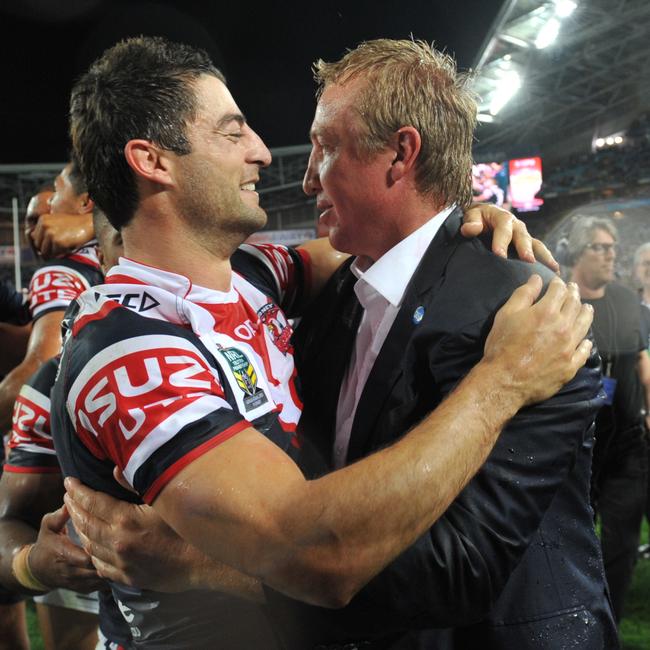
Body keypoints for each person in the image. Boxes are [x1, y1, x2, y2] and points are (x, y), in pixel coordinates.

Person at [60, 36, 592, 649]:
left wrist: (460, 221)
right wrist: (500, 383)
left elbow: (386, 249)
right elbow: (314, 553)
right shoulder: (135, 350)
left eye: (325, 147)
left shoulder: (256, 282)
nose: (264, 152)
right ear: (153, 162)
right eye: (233, 134)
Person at [0, 210, 128, 650]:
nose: (40, 224)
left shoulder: (266, 334)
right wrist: (30, 565)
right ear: (106, 261)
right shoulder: (55, 383)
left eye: (54, 202)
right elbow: (12, 523)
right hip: (112, 611)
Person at [567, 216, 649, 623]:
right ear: (577, 254)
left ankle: (607, 625)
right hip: (575, 445)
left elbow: (642, 361)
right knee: (573, 540)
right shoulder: (560, 300)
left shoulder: (626, 300)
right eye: (600, 247)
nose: (610, 254)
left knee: (620, 546)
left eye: (612, 247)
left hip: (627, 445)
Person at [0, 164, 102, 435]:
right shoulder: (139, 251)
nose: (44, 221)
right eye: (31, 219)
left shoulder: (60, 271)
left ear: (86, 203)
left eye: (56, 195)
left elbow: (43, 370)